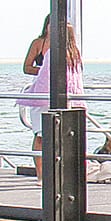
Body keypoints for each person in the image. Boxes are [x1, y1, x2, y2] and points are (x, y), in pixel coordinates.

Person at [17, 15, 83, 177]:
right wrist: (45, 72)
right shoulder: (38, 44)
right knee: (40, 134)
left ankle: (60, 173)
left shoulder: (71, 50)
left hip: (62, 92)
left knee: (61, 134)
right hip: (42, 91)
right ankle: (40, 174)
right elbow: (26, 67)